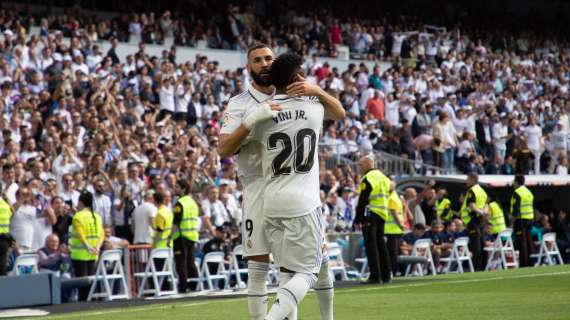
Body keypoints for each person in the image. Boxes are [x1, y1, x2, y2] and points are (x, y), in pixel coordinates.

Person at [219, 43, 343, 320]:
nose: (264, 63)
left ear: (276, 67)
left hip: (285, 187)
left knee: (303, 266)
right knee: (260, 268)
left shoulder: (294, 98)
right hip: (260, 191)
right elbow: (224, 148)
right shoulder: (239, 103)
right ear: (248, 67)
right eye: (257, 60)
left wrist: (314, 90)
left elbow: (334, 113)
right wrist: (249, 121)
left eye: (268, 59)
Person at [250, 52, 339, 320]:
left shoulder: (262, 114)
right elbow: (340, 112)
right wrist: (317, 90)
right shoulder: (313, 108)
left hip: (272, 203)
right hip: (303, 203)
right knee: (307, 273)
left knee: (297, 269)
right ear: (298, 78)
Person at [354, 155, 391, 284]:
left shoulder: (368, 177)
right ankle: (386, 275)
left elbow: (363, 198)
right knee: (381, 244)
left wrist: (358, 217)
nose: (359, 167)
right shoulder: (384, 177)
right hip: (382, 213)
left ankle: (375, 276)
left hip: (370, 213)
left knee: (371, 245)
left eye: (361, 165)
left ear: (368, 164)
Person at [70, 191, 104, 301]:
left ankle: (83, 305)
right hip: (94, 253)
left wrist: (87, 246)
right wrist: (97, 246)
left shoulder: (78, 216)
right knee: (91, 282)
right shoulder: (97, 217)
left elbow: (81, 234)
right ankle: (91, 304)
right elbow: (102, 234)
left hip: (80, 254)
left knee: (82, 283)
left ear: (81, 202)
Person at [172, 180, 200, 293]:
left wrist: (170, 238)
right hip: (192, 236)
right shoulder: (193, 202)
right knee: (190, 262)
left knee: (181, 263)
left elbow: (176, 223)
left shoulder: (180, 203)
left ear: (183, 189)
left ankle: (183, 287)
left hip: (181, 236)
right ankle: (194, 285)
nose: (175, 189)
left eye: (177, 187)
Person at [459, 173, 488, 271]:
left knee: (476, 245)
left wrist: (481, 213)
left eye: (467, 179)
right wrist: (484, 213)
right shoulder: (482, 191)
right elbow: (486, 205)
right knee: (481, 242)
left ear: (472, 179)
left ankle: (477, 267)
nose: (466, 181)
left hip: (472, 220)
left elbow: (472, 205)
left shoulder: (472, 191)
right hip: (480, 220)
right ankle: (484, 265)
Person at [510, 175, 534, 267]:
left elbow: (516, 210)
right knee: (528, 241)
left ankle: (524, 264)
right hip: (529, 219)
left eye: (514, 181)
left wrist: (511, 223)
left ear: (517, 182)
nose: (513, 183)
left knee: (522, 242)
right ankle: (531, 262)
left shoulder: (517, 192)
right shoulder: (529, 192)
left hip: (521, 220)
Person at [385, 180, 404, 276]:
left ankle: (395, 270)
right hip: (391, 230)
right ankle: (393, 271)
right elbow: (394, 213)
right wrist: (400, 224)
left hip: (394, 229)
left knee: (394, 252)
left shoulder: (393, 196)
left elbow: (397, 212)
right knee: (393, 253)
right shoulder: (393, 197)